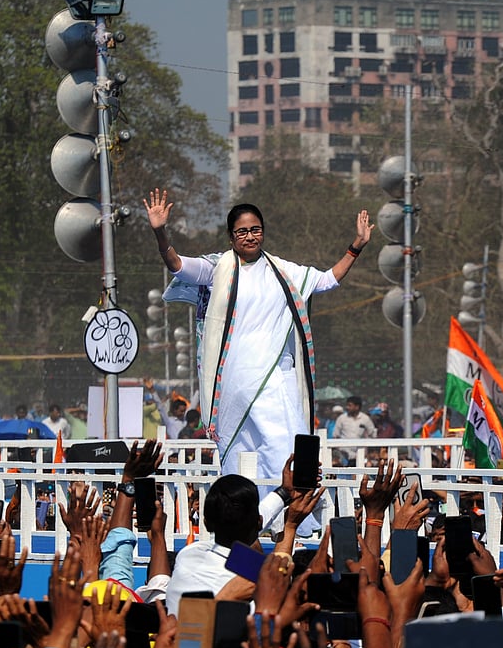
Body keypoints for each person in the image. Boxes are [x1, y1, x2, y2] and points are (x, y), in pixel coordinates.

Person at [146, 187, 371, 486]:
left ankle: (293, 518)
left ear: (262, 232)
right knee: (241, 453)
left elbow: (327, 280)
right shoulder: (217, 269)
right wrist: (161, 232)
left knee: (287, 445)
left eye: (255, 230)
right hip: (236, 383)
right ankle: (247, 519)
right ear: (231, 237)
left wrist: (356, 245)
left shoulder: (283, 271)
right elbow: (177, 265)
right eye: (242, 232)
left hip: (277, 378)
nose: (250, 236)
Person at [333, 395, 376, 466]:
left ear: (357, 407)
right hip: (344, 454)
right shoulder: (342, 418)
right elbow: (335, 436)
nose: (347, 407)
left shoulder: (365, 419)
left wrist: (366, 445)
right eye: (347, 405)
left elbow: (373, 434)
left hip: (360, 454)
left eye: (350, 405)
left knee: (360, 474)